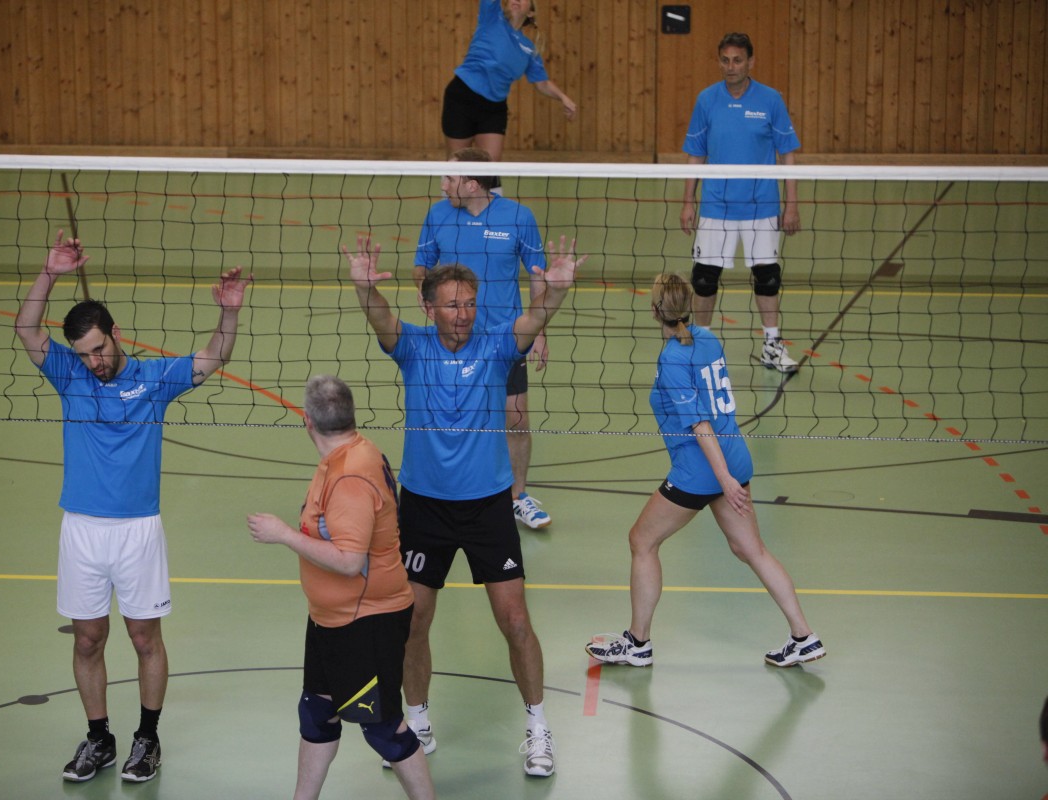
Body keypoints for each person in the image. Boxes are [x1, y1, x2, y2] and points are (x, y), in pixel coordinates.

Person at [343, 232, 585, 777]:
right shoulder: (413, 347)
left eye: (470, 304)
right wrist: (364, 288)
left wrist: (556, 291)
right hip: (424, 507)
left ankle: (538, 727)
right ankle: (417, 722)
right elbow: (381, 319)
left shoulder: (496, 346)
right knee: (414, 622)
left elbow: (534, 319)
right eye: (453, 305)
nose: (464, 314)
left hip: (487, 507)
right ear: (429, 307)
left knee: (515, 620)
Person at [14, 231, 249, 783]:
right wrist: (49, 272)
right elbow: (26, 328)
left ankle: (148, 738)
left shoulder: (154, 379)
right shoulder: (69, 374)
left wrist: (229, 313)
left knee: (145, 639)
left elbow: (213, 357)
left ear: (116, 334)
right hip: (82, 528)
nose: (93, 362)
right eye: (84, 354)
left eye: (98, 349)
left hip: (138, 530)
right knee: (89, 639)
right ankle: (99, 739)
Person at [584, 273, 825, 669]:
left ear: (655, 311)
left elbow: (700, 425)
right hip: (735, 455)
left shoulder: (672, 359)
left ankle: (638, 643)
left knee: (642, 540)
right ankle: (804, 636)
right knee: (751, 550)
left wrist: (724, 480)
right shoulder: (708, 339)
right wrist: (729, 476)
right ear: (690, 306)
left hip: (702, 468)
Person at [246, 375, 435, 800]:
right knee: (317, 712)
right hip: (332, 620)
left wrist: (283, 534)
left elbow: (350, 561)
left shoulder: (350, 476)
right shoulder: (349, 454)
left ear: (307, 421)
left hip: (366, 622)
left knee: (384, 727)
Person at [414, 147, 552, 530]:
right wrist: (427, 293)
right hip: (452, 339)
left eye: (450, 178)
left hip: (504, 340)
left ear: (472, 183)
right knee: (449, 420)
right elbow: (421, 266)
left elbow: (538, 276)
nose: (443, 185)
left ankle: (517, 497)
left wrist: (539, 330)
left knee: (516, 419)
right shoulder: (437, 215)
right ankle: (445, 494)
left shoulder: (519, 217)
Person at [680, 32, 801, 373]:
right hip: (716, 207)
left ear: (750, 62)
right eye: (725, 60)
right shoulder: (706, 100)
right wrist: (688, 201)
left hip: (761, 206)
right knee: (704, 279)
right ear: (719, 62)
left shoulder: (770, 100)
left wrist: (791, 204)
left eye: (737, 60)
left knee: (767, 278)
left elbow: (787, 154)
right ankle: (702, 345)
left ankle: (772, 346)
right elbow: (695, 154)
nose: (730, 66)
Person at [442, 0, 576, 161]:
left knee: (490, 166)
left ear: (531, 12)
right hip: (463, 99)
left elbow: (542, 83)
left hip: (494, 108)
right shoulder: (491, 17)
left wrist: (563, 97)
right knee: (457, 164)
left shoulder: (529, 49)